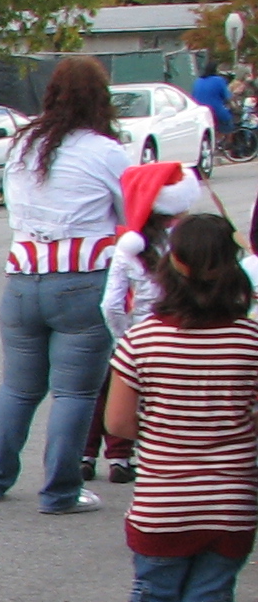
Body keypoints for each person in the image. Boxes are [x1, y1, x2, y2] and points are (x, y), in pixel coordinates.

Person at [102, 214, 258, 602]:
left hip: (164, 506)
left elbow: (119, 422)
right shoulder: (250, 340)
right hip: (233, 509)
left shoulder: (143, 339)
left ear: (174, 267)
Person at [0, 55, 131, 513]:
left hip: (23, 279)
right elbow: (130, 213)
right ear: (100, 99)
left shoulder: (24, 146)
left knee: (19, 388)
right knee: (75, 393)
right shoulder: (105, 151)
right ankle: (60, 491)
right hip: (82, 281)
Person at [93, 162, 204, 482]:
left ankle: (118, 457)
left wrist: (123, 338)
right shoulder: (190, 242)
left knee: (124, 397)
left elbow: (111, 304)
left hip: (141, 335)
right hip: (185, 330)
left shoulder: (128, 247)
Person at [191, 59, 235, 148]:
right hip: (215, 109)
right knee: (228, 123)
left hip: (200, 111)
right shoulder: (219, 80)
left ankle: (214, 143)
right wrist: (233, 106)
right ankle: (228, 145)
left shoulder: (198, 80)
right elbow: (227, 97)